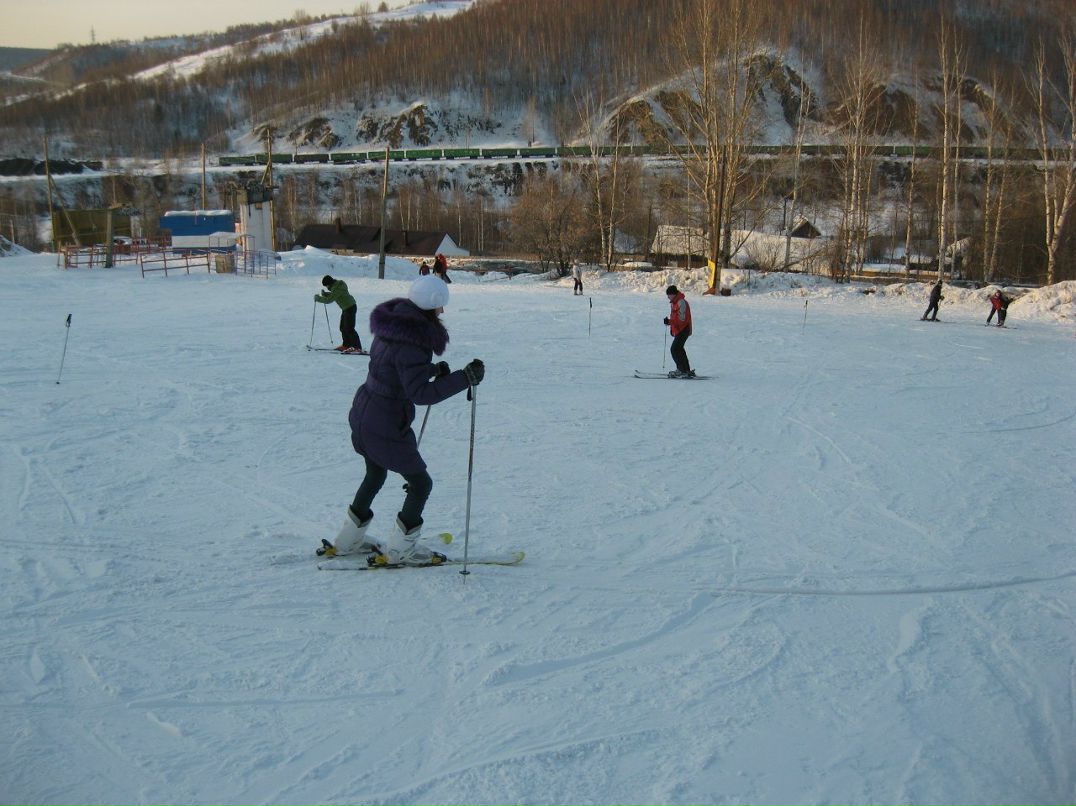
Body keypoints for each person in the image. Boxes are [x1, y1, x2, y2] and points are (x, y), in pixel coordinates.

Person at [324, 274, 485, 565]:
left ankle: (348, 540)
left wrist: (431, 369)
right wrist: (465, 379)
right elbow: (420, 394)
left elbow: (393, 368)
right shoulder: (414, 341)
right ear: (430, 306)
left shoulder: (393, 327)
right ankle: (400, 550)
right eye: (440, 307)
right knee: (420, 484)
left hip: (364, 412)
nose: (442, 312)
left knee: (375, 474)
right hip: (384, 421)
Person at [315, 275, 363, 353]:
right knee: (343, 328)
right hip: (346, 308)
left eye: (326, 285)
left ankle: (357, 347)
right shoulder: (336, 286)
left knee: (349, 328)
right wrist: (326, 294)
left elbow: (329, 300)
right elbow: (334, 295)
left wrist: (318, 299)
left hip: (350, 307)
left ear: (329, 283)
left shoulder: (338, 288)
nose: (326, 287)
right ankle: (346, 345)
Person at [664, 285, 694, 378]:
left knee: (674, 349)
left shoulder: (681, 302)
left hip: (684, 329)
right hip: (680, 329)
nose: (668, 297)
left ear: (673, 294)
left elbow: (682, 320)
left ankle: (681, 370)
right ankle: (686, 370)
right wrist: (669, 322)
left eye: (669, 295)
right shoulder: (675, 302)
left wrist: (670, 321)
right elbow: (676, 317)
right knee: (679, 349)